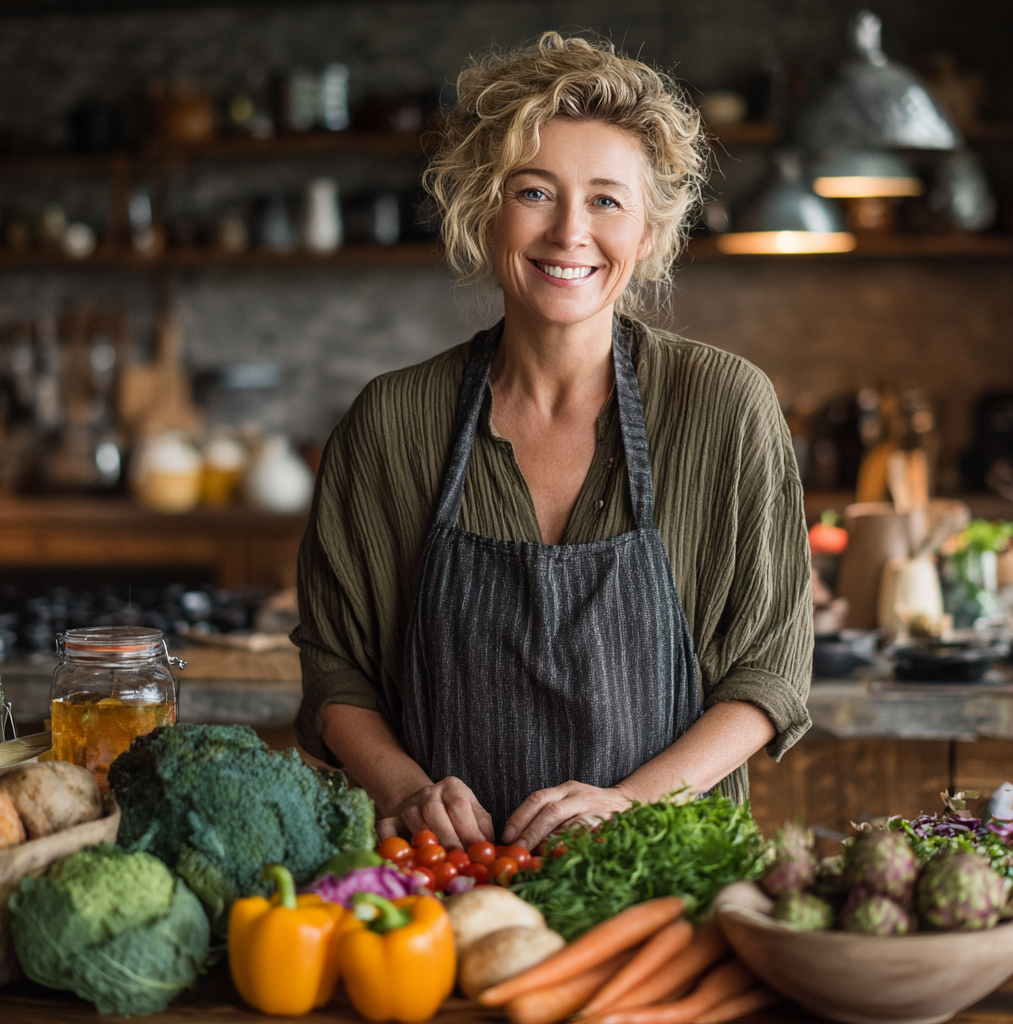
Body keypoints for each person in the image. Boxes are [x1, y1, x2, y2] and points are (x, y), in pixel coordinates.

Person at [293, 33, 812, 854]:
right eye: (535, 191)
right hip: (446, 890)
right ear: (483, 207)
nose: (570, 231)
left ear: (648, 231)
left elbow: (770, 672)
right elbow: (336, 667)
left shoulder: (725, 406)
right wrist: (403, 789)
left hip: (664, 887)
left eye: (607, 200)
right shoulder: (391, 422)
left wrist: (632, 804)